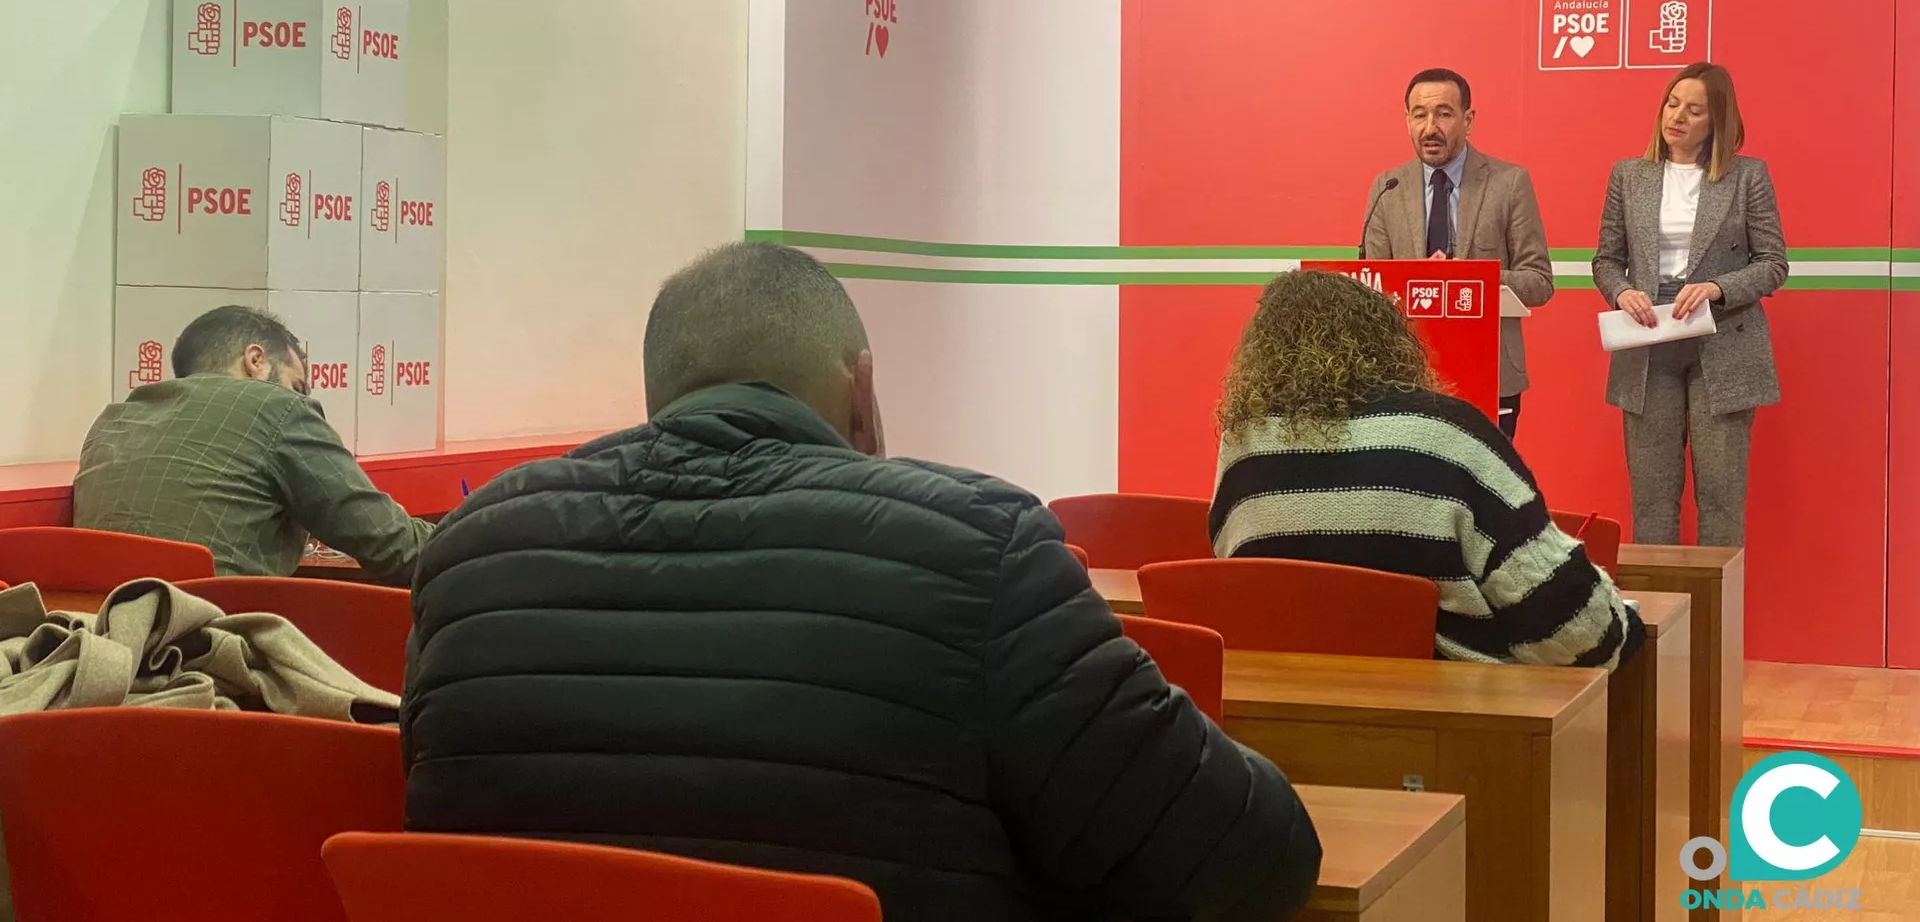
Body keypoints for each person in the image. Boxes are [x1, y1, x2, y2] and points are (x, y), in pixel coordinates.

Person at [404, 242, 1322, 922]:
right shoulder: (979, 548)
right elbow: (1250, 862)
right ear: (863, 394)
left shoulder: (471, 551)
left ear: (659, 394)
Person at [1210, 269, 1643, 670]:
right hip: (1450, 726)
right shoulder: (1448, 433)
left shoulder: (1244, 444)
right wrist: (1621, 624)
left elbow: (1234, 572)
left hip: (1279, 711)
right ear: (1386, 341)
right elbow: (1571, 628)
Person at [72, 306, 431, 580]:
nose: (301, 397)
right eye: (297, 385)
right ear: (255, 360)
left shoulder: (113, 421)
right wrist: (480, 537)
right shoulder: (278, 408)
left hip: (99, 647)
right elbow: (390, 544)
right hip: (214, 649)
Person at [1592, 62, 1787, 546]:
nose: (1676, 116)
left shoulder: (1747, 177)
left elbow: (1773, 263)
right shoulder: (1629, 175)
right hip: (1648, 339)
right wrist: (1622, 291)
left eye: (1694, 109)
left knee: (1721, 498)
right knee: (1652, 497)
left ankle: (1714, 621)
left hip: (1724, 340)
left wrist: (1718, 287)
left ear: (1717, 121)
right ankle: (1660, 618)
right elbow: (1606, 260)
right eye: (1672, 103)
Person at [1361, 67, 1555, 437]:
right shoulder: (1389, 187)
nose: (1430, 127)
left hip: (1489, 373)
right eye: (1419, 115)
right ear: (1407, 120)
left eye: (1444, 113)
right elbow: (1373, 286)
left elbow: (1539, 281)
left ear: (1468, 120)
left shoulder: (1508, 183)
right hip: (1407, 376)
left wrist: (1468, 277)